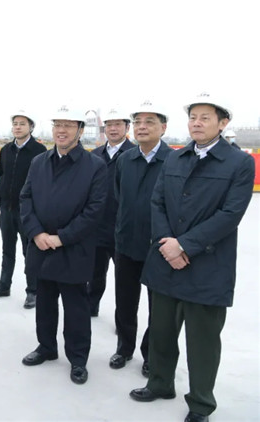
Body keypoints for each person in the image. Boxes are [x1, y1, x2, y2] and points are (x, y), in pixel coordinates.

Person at [129, 93, 255, 422]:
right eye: (193, 117)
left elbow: (230, 215)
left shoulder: (239, 163)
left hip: (207, 267)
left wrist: (184, 246)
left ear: (223, 123)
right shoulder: (175, 158)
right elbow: (157, 202)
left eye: (205, 118)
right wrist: (167, 245)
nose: (196, 123)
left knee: (202, 342)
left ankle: (200, 404)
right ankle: (160, 383)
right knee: (161, 332)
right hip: (166, 262)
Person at [19, 105, 107, 385]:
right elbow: (26, 199)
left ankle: (78, 359)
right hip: (41, 246)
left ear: (80, 131)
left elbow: (94, 210)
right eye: (58, 124)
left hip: (74, 249)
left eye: (69, 125)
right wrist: (36, 233)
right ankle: (46, 347)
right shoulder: (39, 162)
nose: (61, 130)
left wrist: (62, 237)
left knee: (76, 308)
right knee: (44, 302)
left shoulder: (95, 166)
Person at [110, 101, 172, 376]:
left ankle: (150, 355)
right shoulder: (125, 160)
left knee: (158, 308)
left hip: (159, 247)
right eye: (137, 122)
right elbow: (118, 197)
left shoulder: (174, 161)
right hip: (126, 244)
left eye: (149, 122)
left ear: (163, 127)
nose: (142, 127)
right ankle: (124, 348)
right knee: (124, 302)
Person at [0, 110, 46, 309]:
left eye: (22, 124)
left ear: (31, 127)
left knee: (30, 253)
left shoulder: (39, 151)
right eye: (15, 124)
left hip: (27, 212)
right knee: (7, 250)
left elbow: (43, 182)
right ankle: (4, 286)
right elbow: (0, 175)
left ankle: (33, 291)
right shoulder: (6, 150)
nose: (17, 127)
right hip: (7, 208)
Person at [87, 108, 135, 316]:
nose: (113, 129)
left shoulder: (135, 155)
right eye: (109, 125)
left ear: (127, 127)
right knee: (94, 274)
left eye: (118, 124)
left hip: (123, 229)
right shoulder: (94, 156)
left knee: (125, 281)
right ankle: (90, 308)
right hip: (97, 228)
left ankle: (123, 322)